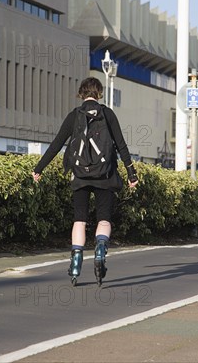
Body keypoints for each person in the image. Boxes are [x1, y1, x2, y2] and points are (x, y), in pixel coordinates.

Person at [32, 77, 138, 286]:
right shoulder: (107, 114)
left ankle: (76, 263)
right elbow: (121, 145)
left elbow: (56, 145)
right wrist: (131, 174)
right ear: (99, 93)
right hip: (105, 175)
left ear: (81, 93)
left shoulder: (74, 116)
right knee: (104, 218)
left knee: (79, 219)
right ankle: (100, 249)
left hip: (80, 175)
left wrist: (39, 168)